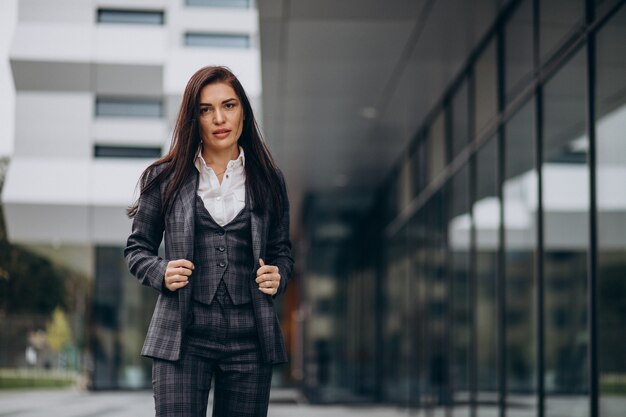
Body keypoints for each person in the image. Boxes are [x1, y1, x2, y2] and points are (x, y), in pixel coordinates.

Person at [124, 65, 293, 417]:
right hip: (182, 337)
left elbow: (282, 252)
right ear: (194, 118)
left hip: (250, 337)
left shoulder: (269, 179)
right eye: (206, 109)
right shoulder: (164, 178)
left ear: (243, 111)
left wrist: (278, 275)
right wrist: (161, 270)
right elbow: (137, 249)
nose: (219, 118)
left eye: (229, 105)